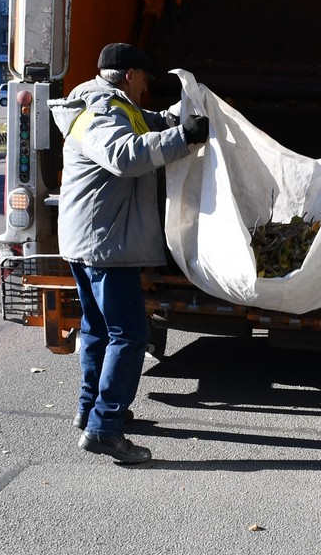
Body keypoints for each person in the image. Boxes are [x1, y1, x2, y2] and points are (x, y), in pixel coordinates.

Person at [49, 43, 210, 465]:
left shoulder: (109, 104)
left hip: (91, 238)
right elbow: (125, 155)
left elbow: (147, 123)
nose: (145, 88)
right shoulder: (101, 110)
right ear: (128, 75)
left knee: (99, 330)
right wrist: (184, 138)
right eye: (143, 78)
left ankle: (91, 412)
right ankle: (105, 428)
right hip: (106, 242)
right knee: (130, 334)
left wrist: (185, 113)